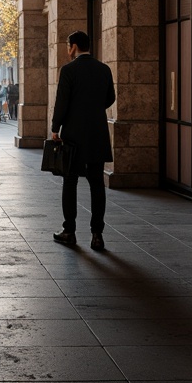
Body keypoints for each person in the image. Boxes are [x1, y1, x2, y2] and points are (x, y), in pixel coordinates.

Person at [51, 30, 116, 251]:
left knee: (70, 182)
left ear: (74, 46)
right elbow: (110, 98)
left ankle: (69, 231)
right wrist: (93, 111)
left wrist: (55, 127)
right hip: (97, 132)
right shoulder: (104, 69)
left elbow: (62, 101)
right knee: (97, 183)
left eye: (68, 45)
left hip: (73, 134)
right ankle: (97, 234)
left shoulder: (69, 70)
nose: (67, 50)